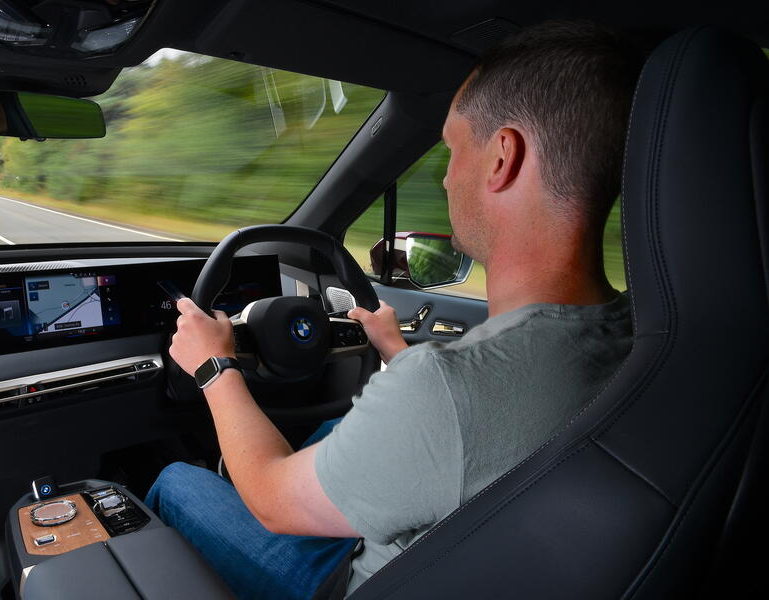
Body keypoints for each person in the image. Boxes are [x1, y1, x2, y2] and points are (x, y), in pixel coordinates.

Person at [146, 20, 643, 599]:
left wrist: (213, 366)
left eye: (454, 149)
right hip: (459, 551)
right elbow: (469, 432)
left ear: (502, 156)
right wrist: (394, 351)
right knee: (334, 426)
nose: (448, 174)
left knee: (175, 479)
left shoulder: (448, 390)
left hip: (352, 582)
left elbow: (275, 503)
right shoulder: (641, 330)